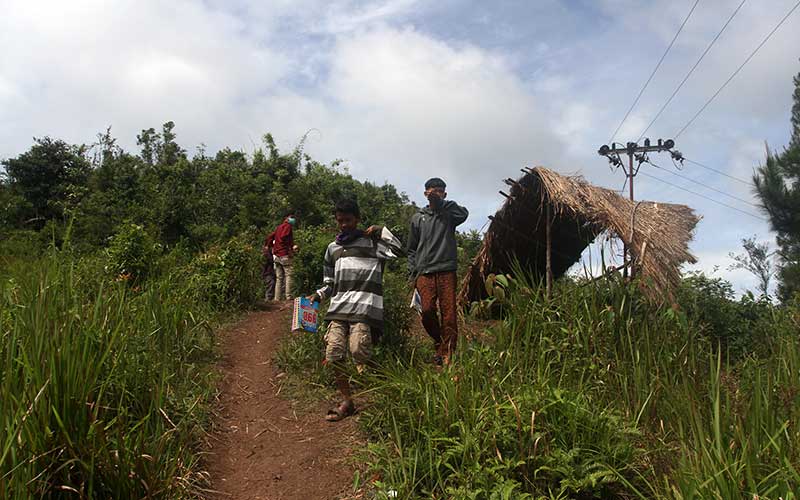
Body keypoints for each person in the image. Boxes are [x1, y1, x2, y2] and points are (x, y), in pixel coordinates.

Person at [307, 199, 401, 422]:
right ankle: (347, 401)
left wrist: (381, 231)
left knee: (359, 349)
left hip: (364, 309)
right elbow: (330, 282)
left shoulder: (372, 244)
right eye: (340, 221)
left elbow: (399, 249)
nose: (344, 225)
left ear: (357, 219)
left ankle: (385, 382)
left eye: (348, 220)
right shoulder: (333, 249)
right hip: (338, 309)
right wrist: (318, 296)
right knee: (333, 355)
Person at [407, 177, 469, 365]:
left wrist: (441, 203)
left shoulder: (449, 213)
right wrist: (412, 273)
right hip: (424, 272)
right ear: (425, 193)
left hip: (446, 270)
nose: (435, 193)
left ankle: (447, 353)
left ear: (445, 194)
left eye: (440, 190)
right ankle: (440, 342)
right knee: (426, 311)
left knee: (449, 313)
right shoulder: (418, 218)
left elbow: (464, 214)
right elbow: (411, 248)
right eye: (432, 190)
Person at [267, 211, 296, 301]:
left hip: (276, 255)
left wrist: (270, 246)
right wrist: (290, 248)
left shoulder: (279, 227)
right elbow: (284, 236)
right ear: (287, 218)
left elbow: (270, 237)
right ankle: (288, 296)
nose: (293, 219)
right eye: (291, 217)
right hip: (284, 254)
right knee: (289, 275)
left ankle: (277, 298)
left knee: (279, 278)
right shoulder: (287, 226)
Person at [261, 236, 276, 302]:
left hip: (268, 271)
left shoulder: (267, 251)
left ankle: (268, 298)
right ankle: (268, 299)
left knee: (271, 283)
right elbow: (267, 261)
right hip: (267, 272)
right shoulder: (266, 252)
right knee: (270, 283)